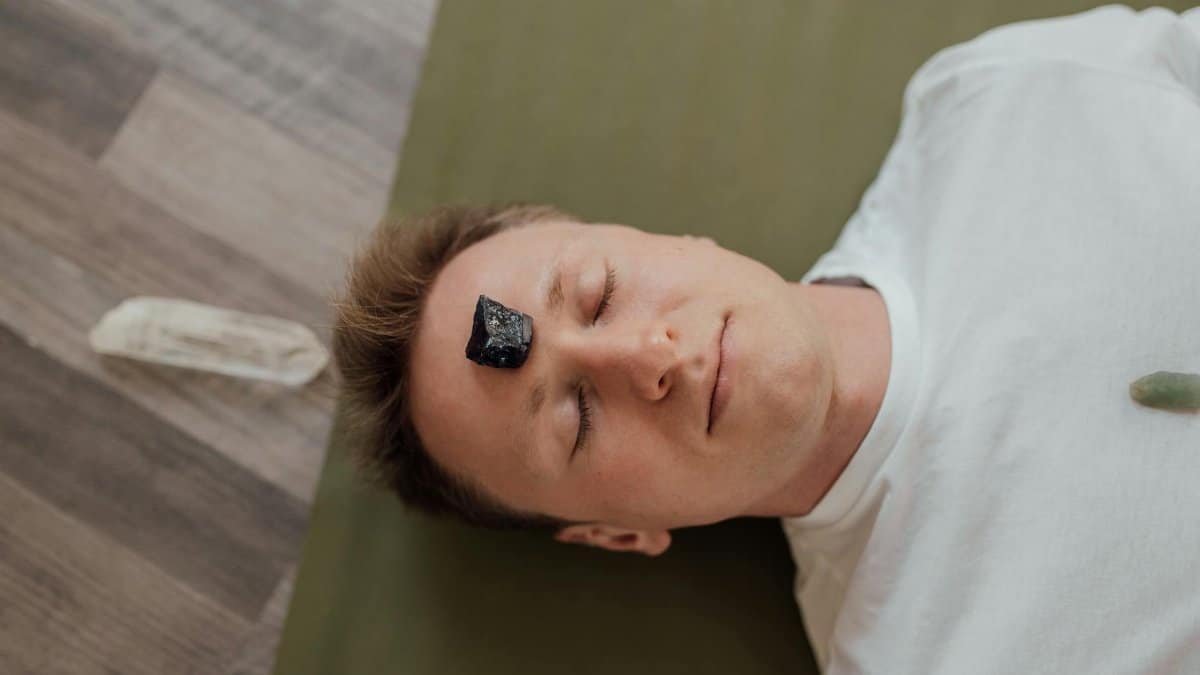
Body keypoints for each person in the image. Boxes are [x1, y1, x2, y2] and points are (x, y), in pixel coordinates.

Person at [332, 4, 1200, 673]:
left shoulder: (1001, 100)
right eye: (576, 418)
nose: (650, 357)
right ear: (616, 534)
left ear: (661, 236)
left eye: (598, 295)